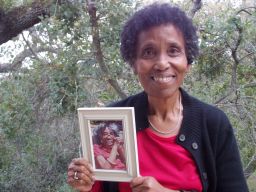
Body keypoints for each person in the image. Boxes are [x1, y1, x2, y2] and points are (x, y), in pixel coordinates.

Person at [67, 2, 249, 192]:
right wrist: (84, 184)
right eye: (148, 52)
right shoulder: (111, 121)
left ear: (187, 61)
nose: (162, 63)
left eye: (173, 51)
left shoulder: (213, 124)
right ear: (134, 63)